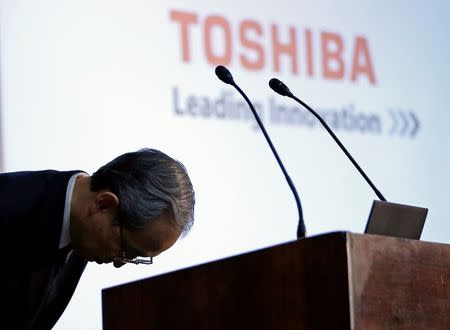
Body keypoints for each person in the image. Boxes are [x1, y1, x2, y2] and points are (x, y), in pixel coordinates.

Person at [0, 148, 195, 330]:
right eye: (126, 250)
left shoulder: (80, 228)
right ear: (104, 204)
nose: (119, 263)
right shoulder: (10, 204)